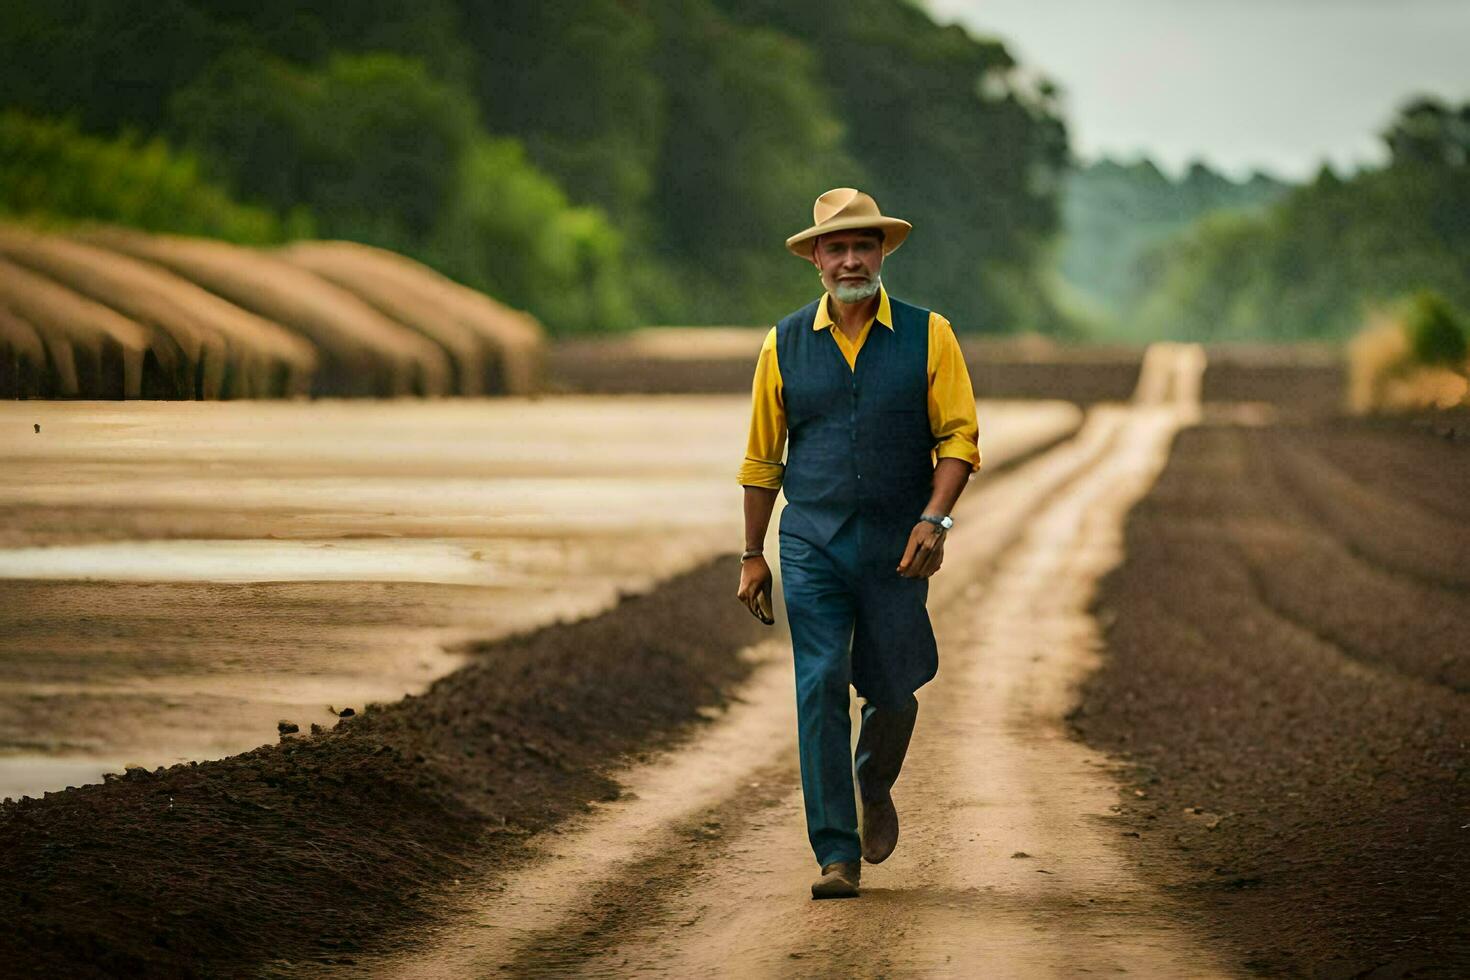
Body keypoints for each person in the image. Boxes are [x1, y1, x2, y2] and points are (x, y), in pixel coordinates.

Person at [736, 187, 982, 899]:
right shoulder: (782, 343)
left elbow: (959, 437)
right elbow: (761, 459)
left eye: (863, 246)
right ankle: (835, 853)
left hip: (897, 542)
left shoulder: (929, 334)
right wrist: (753, 554)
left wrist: (934, 521)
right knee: (818, 685)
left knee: (895, 690)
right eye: (837, 247)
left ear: (881, 255)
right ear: (815, 259)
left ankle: (873, 782)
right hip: (811, 539)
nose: (850, 259)